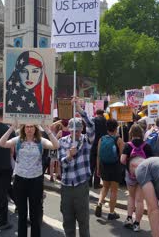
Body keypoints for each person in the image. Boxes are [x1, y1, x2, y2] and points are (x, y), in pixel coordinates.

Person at [0, 120, 60, 237]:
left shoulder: (41, 141)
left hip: (35, 181)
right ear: (23, 129)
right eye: (27, 127)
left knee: (35, 215)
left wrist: (47, 129)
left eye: (32, 127)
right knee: (22, 215)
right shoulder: (18, 140)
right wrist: (11, 128)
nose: (29, 129)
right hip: (20, 181)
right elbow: (1, 143)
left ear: (36, 129)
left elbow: (56, 145)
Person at [57, 97, 95, 237]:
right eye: (73, 131)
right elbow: (62, 163)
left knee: (83, 220)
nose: (76, 134)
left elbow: (92, 126)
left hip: (81, 185)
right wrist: (69, 156)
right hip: (66, 186)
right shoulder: (62, 142)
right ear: (69, 130)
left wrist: (80, 109)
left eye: (78, 131)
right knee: (67, 221)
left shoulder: (86, 140)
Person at [120, 124, 153, 232]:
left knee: (131, 197)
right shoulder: (147, 146)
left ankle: (129, 218)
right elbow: (151, 162)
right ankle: (137, 224)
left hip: (131, 175)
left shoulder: (128, 145)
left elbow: (122, 160)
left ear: (131, 133)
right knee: (140, 200)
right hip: (143, 176)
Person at [5, 50, 53, 114]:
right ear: (17, 72)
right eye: (24, 71)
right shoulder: (9, 94)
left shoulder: (48, 94)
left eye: (35, 71)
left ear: (41, 73)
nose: (29, 77)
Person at [95, 118, 125, 220]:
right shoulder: (119, 140)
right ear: (116, 128)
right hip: (115, 167)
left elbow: (98, 155)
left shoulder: (102, 139)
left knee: (105, 187)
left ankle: (99, 203)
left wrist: (98, 168)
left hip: (104, 166)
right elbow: (122, 157)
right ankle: (111, 212)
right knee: (114, 190)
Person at [90, 109, 107, 188]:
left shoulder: (93, 120)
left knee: (91, 163)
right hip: (101, 143)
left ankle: (88, 182)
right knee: (98, 164)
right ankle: (96, 183)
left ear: (96, 113)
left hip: (92, 143)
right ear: (102, 114)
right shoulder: (105, 121)